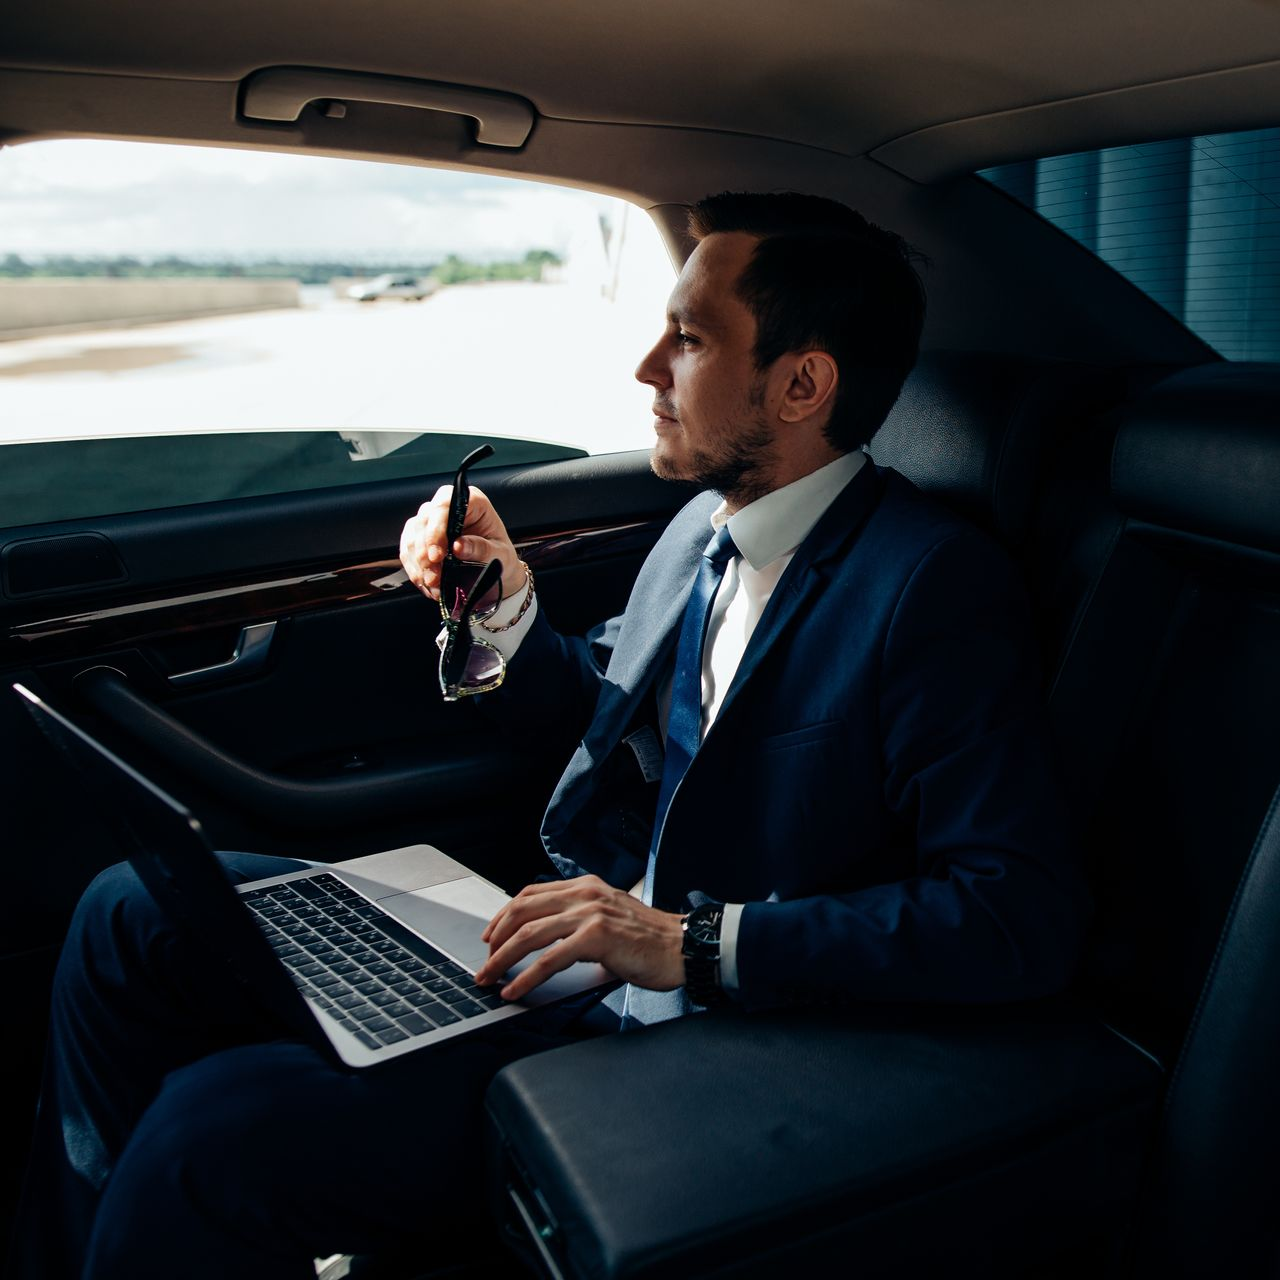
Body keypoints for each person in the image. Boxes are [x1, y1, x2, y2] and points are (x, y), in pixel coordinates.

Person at [11, 192, 1088, 1280]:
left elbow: (1012, 912)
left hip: (695, 1025)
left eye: (688, 338)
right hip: (569, 950)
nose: (646, 368)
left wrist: (688, 940)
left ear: (802, 384)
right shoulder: (700, 530)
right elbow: (602, 713)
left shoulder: (929, 586)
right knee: (125, 909)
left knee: (210, 1132)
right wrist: (497, 599)